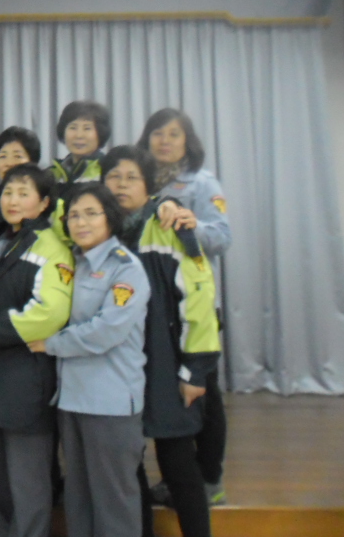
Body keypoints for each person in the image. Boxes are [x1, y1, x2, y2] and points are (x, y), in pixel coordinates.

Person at [101, 145, 220, 537]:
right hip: (118, 365)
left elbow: (199, 302)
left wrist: (195, 370)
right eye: (113, 176)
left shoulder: (171, 226)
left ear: (149, 185)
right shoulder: (97, 229)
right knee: (127, 464)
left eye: (131, 177)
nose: (121, 185)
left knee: (178, 461)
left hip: (166, 363)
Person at [0, 164, 73, 537]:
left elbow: (51, 313)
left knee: (28, 486)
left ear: (44, 203)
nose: (13, 200)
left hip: (26, 381)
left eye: (24, 193)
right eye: (8, 192)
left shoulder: (51, 247)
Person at [34, 183, 149, 537]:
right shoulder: (73, 262)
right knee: (79, 497)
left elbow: (106, 331)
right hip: (72, 398)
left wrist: (49, 344)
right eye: (73, 215)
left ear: (110, 218)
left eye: (90, 213)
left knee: (114, 501)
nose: (81, 222)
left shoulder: (125, 268)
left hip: (110, 403)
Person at [138, 108, 231, 506]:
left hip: (195, 304)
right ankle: (177, 479)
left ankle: (209, 478)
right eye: (157, 133)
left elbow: (222, 236)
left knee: (205, 394)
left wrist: (192, 225)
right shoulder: (142, 181)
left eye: (173, 134)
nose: (164, 141)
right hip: (159, 311)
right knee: (170, 399)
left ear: (187, 141)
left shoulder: (202, 182)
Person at [0, 126, 43, 236]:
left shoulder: (49, 202)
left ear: (33, 161)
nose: (9, 163)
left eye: (17, 156)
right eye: (3, 156)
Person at [50, 101, 111, 200]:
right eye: (73, 127)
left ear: (101, 133)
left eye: (87, 128)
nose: (79, 135)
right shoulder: (53, 173)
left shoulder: (108, 170)